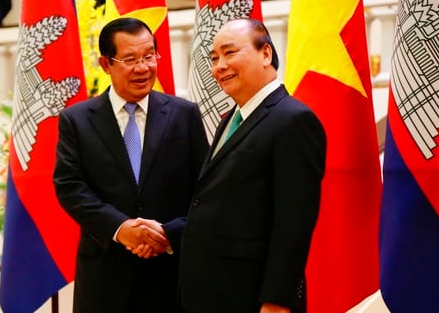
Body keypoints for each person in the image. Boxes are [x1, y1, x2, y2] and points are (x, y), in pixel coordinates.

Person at [53, 17, 209, 312]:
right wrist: (121, 227)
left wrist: (167, 234)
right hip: (105, 277)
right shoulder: (77, 120)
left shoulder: (183, 114)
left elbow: (205, 189)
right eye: (130, 59)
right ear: (105, 64)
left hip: (170, 274)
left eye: (149, 56)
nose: (143, 68)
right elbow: (70, 187)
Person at [178, 18, 327, 313]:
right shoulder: (230, 120)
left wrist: (276, 301)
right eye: (214, 58)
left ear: (266, 54)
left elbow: (293, 224)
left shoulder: (292, 120)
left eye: (229, 53)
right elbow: (222, 206)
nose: (219, 65)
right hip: (213, 293)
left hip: (255, 298)